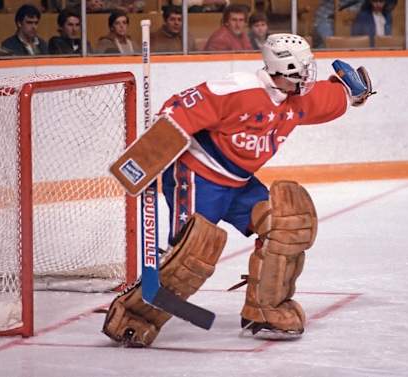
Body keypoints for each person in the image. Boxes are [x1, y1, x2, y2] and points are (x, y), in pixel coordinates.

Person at [102, 33, 374, 347]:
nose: (308, 76)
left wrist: (353, 92)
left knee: (286, 227)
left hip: (239, 182)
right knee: (192, 255)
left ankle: (263, 309)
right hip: (197, 176)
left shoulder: (297, 98)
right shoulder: (237, 89)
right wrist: (148, 155)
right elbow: (178, 109)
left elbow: (334, 95)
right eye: (303, 69)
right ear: (282, 69)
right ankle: (134, 315)